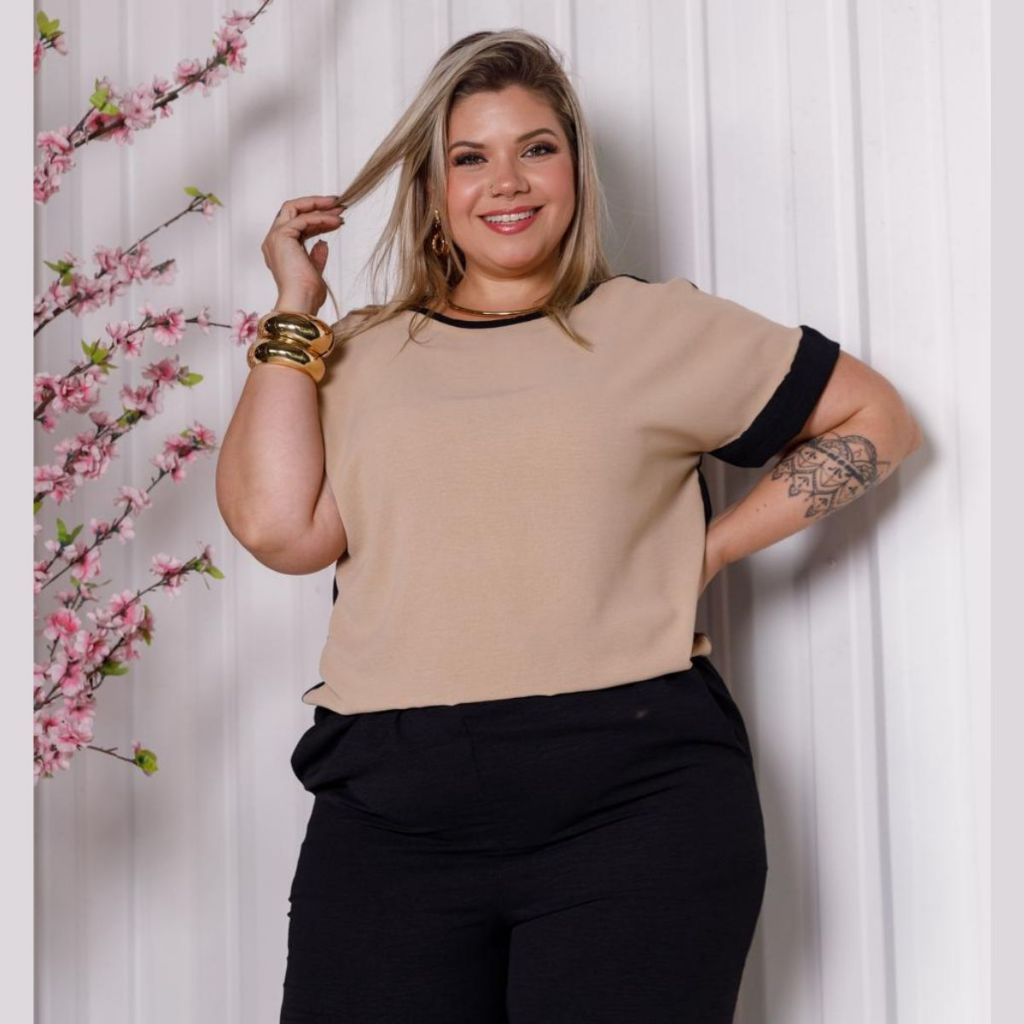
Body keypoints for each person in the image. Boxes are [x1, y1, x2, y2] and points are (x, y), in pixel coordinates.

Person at [215, 28, 923, 1024]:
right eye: (470, 156)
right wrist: (296, 310)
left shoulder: (657, 326)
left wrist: (706, 551)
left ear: (575, 170)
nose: (506, 181)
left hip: (635, 800)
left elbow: (876, 418)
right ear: (432, 188)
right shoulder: (362, 353)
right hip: (391, 809)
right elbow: (277, 528)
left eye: (536, 148)